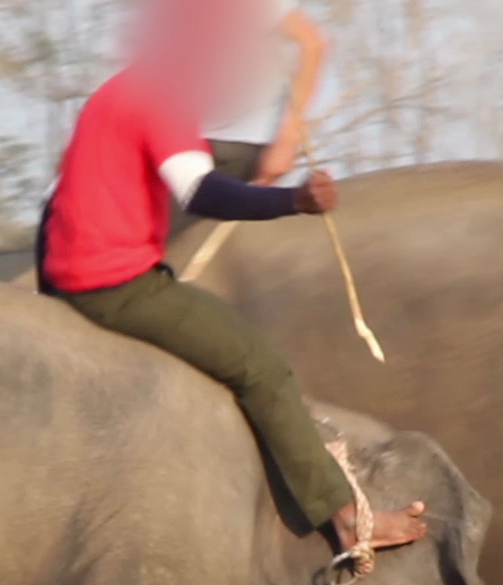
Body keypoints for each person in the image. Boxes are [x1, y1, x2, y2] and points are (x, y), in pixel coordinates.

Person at [35, 55, 425, 557]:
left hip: (72, 280)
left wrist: (52, 299)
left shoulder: (115, 93)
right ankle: (347, 519)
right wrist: (293, 202)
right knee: (262, 371)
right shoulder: (162, 97)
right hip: (114, 285)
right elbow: (200, 191)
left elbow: (52, 206)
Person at [169, 0, 325, 237]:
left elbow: (312, 44)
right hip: (189, 137)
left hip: (233, 143)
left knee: (153, 235)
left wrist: (287, 140)